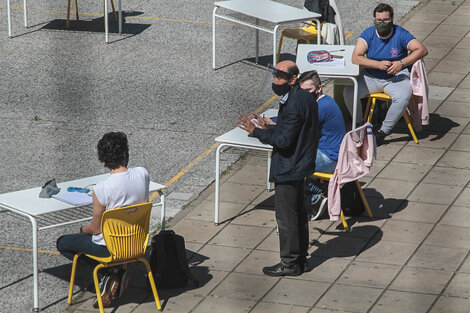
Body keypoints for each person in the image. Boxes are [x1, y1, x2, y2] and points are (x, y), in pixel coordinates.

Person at [238, 60, 319, 276]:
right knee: (298, 215)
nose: (275, 80)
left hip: (289, 167)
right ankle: (300, 259)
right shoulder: (303, 97)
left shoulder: (293, 103)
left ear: (293, 80)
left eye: (280, 77)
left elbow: (283, 141)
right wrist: (271, 126)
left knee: (286, 218)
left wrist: (255, 131)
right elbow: (293, 131)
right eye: (274, 75)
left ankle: (290, 263)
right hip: (300, 164)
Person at [57, 132, 150, 308]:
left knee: (63, 243)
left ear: (104, 160)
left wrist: (81, 230)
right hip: (136, 243)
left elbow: (96, 228)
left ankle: (106, 276)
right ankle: (117, 274)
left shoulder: (102, 189)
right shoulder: (142, 174)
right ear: (124, 154)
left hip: (110, 248)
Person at [343, 3, 428, 145]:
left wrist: (401, 63)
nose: (381, 23)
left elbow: (421, 50)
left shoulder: (400, 33)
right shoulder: (368, 34)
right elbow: (356, 57)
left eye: (385, 20)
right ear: (374, 20)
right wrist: (378, 64)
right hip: (371, 76)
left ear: (392, 19)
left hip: (396, 77)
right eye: (379, 20)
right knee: (348, 93)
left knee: (402, 97)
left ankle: (383, 132)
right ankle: (359, 124)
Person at [298, 70, 346, 217]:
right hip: (336, 154)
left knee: (291, 165)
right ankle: (313, 191)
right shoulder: (326, 101)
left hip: (330, 158)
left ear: (319, 88)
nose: (305, 95)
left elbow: (298, 130)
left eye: (308, 90)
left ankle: (317, 194)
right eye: (302, 91)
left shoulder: (319, 108)